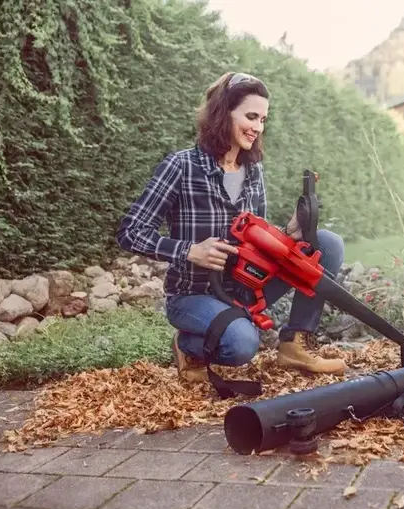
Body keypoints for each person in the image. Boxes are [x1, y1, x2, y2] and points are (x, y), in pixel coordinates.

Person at [116, 72, 348, 383]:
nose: (257, 127)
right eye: (251, 116)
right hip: (193, 295)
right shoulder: (181, 166)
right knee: (242, 345)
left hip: (245, 286)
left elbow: (256, 239)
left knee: (325, 244)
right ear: (223, 112)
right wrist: (190, 251)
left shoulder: (254, 171)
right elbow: (130, 231)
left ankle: (295, 344)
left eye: (263, 119)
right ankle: (188, 347)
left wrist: (288, 233)